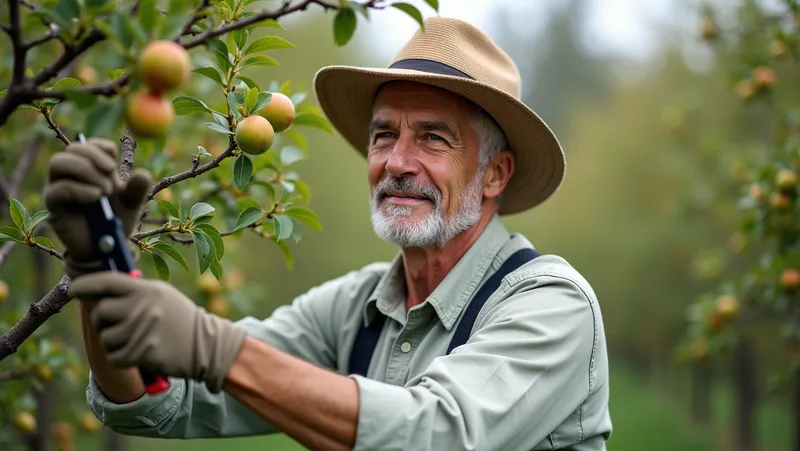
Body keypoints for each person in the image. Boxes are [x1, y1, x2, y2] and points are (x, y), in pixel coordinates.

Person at [44, 17, 612, 451]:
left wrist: (216, 348)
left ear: (496, 174)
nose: (398, 162)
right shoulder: (354, 309)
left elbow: (437, 434)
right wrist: (98, 267)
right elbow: (156, 403)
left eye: (434, 138)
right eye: (385, 135)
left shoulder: (553, 306)